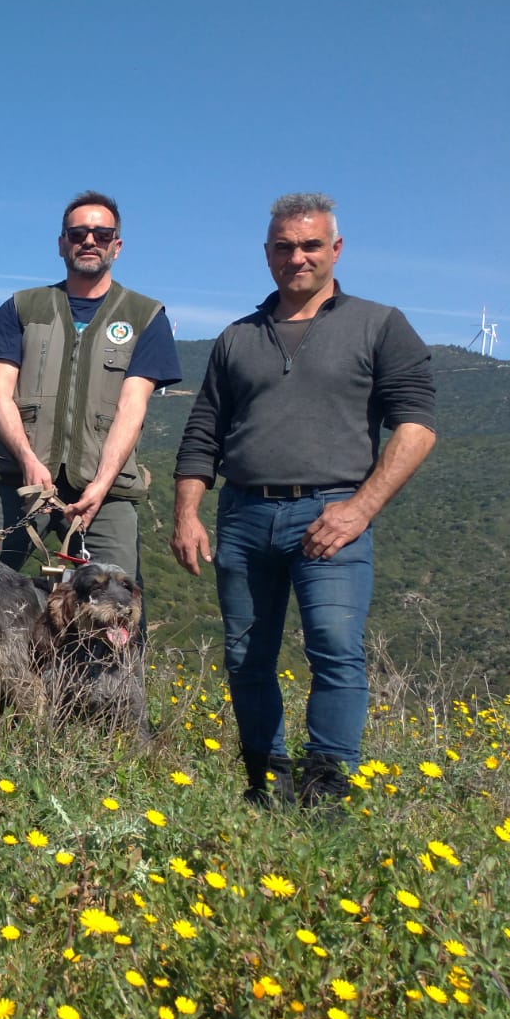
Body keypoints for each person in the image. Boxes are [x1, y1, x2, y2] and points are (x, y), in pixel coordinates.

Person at [172, 193, 436, 809]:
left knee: (336, 649)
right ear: (267, 254)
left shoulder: (380, 324)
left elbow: (417, 426)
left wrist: (360, 509)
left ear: (336, 249)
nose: (298, 257)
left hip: (333, 514)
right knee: (246, 657)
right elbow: (203, 433)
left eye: (311, 245)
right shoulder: (237, 337)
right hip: (242, 515)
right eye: (284, 247)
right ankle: (268, 783)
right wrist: (186, 514)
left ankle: (328, 790)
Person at [0, 192, 180, 580]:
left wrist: (101, 485)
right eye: (78, 233)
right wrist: (28, 460)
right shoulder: (20, 307)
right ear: (61, 243)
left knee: (116, 602)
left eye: (102, 234)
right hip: (14, 480)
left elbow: (132, 408)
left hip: (106, 490)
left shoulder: (145, 317)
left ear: (117, 245)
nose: (89, 241)